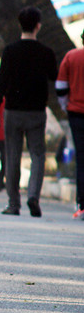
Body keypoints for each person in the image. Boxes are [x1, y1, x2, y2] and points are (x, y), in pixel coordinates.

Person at [0, 6, 58, 218]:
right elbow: (55, 78)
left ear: (20, 24)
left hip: (13, 110)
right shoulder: (46, 52)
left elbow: (1, 81)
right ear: (38, 25)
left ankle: (13, 203)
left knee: (13, 155)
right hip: (37, 112)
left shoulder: (10, 51)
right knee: (38, 155)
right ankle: (33, 196)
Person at [55, 33, 84, 217]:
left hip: (77, 113)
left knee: (81, 158)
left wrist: (66, 106)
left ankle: (81, 204)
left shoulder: (71, 57)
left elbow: (61, 87)